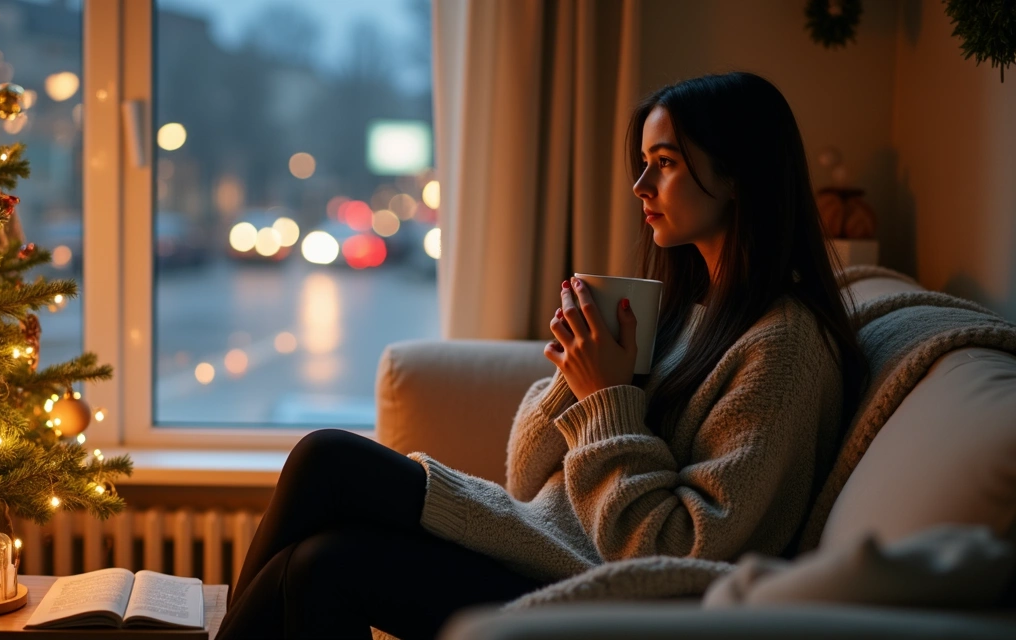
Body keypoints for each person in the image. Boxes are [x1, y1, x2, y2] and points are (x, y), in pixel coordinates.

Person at [216, 71, 868, 640]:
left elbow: (680, 551)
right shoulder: (681, 316)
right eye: (642, 162)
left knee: (325, 530)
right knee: (320, 507)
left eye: (664, 162)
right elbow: (527, 475)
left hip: (602, 593)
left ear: (737, 175)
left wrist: (606, 400)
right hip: (542, 539)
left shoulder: (782, 347)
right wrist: (572, 379)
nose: (640, 184)